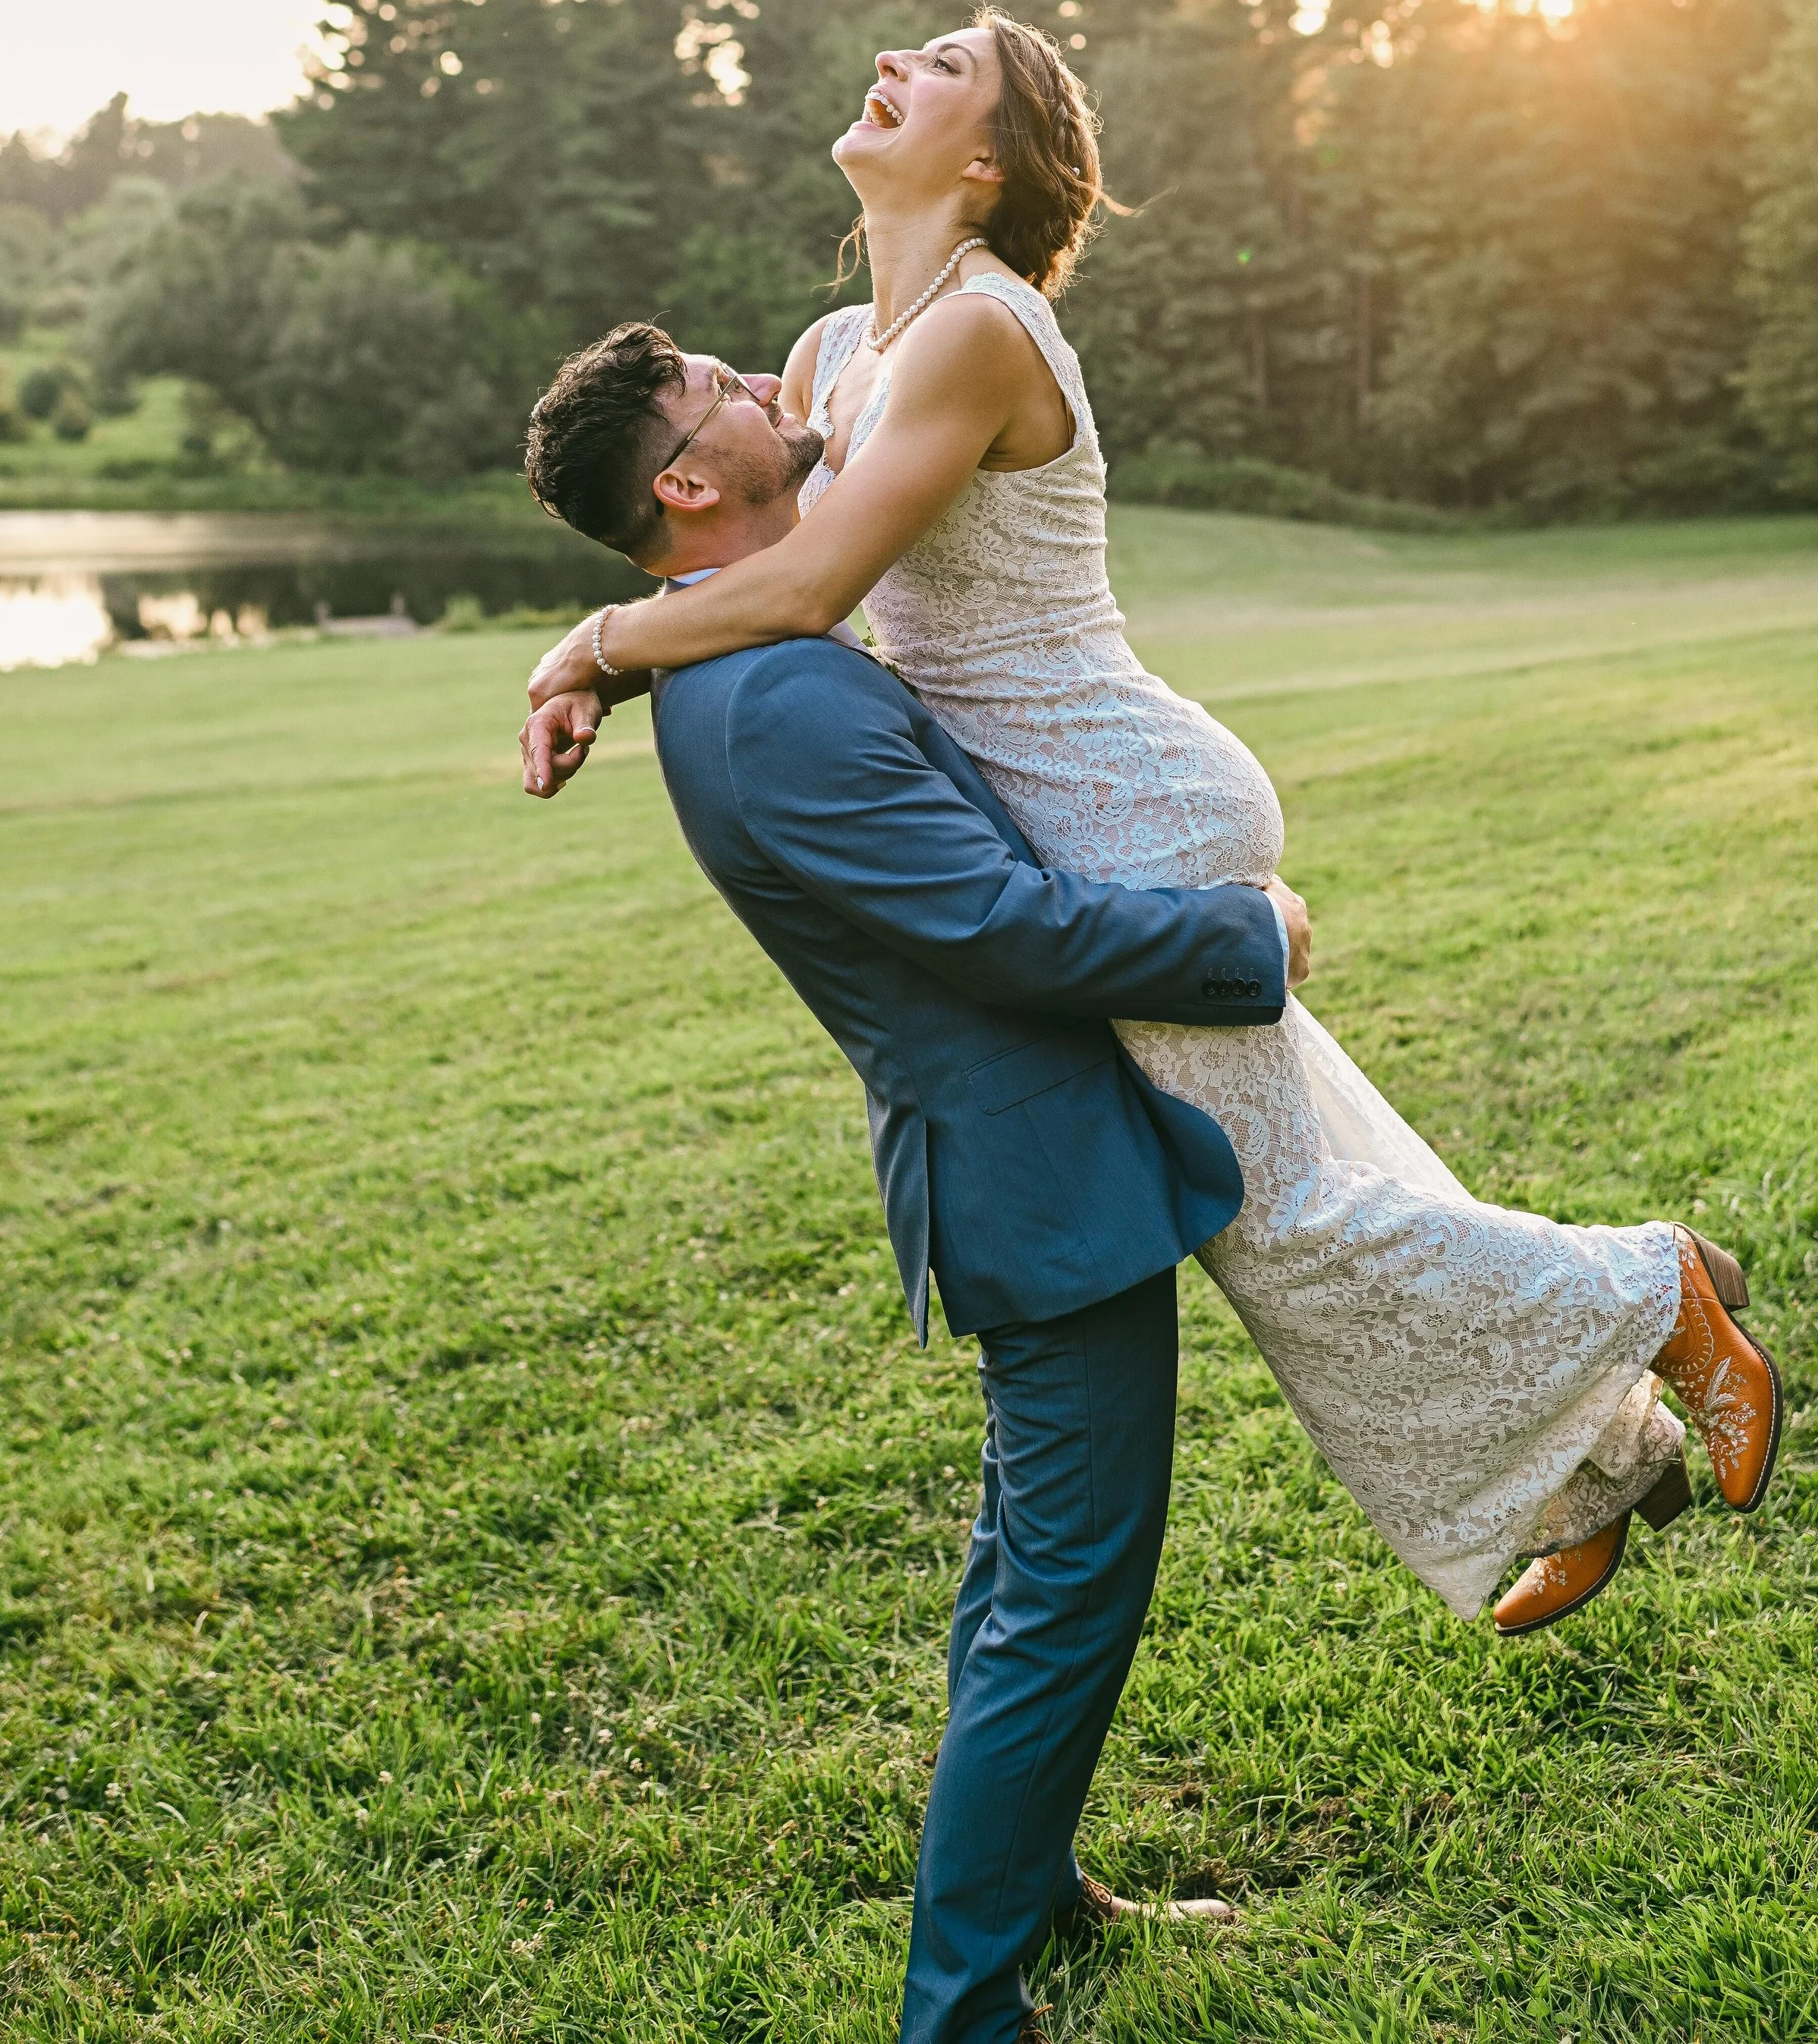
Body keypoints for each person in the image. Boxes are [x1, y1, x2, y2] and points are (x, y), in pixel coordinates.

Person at [520, 11, 1782, 1649]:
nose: (895, 55)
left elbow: (811, 586)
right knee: (1317, 1176)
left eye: (946, 63)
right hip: (1050, 814)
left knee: (1277, 1215)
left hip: (1115, 800)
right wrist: (618, 639)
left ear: (984, 162)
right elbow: (741, 543)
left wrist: (592, 651)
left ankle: (1657, 1291)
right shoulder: (839, 356)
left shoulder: (981, 334)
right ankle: (1592, 1467)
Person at [522, 317, 1311, 2043]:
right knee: (1063, 1595)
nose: (760, 380)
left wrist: (594, 648)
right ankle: (959, 2014)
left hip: (1018, 1161)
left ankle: (1039, 1903)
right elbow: (995, 928)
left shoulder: (748, 652)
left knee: (1023, 1562)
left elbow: (770, 600)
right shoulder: (777, 697)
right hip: (1031, 1176)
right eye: (721, 395)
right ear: (681, 481)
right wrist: (1239, 937)